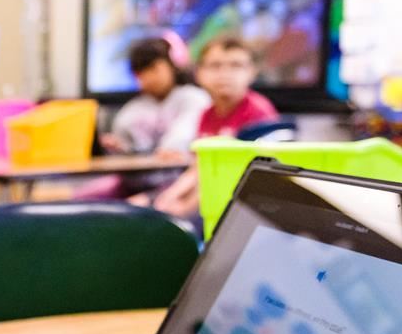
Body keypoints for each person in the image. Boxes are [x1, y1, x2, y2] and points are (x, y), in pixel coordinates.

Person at [142, 37, 278, 220]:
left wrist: (184, 207)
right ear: (199, 73)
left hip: (238, 206)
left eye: (236, 65)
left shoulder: (259, 113)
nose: (225, 73)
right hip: (207, 196)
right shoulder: (206, 114)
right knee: (140, 204)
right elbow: (200, 166)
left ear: (252, 72)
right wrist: (168, 196)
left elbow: (234, 176)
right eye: (215, 66)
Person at [99, 36, 209, 156]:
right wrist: (118, 147)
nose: (149, 77)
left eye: (154, 68)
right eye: (141, 73)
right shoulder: (132, 110)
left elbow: (179, 142)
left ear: (171, 65)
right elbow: (123, 148)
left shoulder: (193, 98)